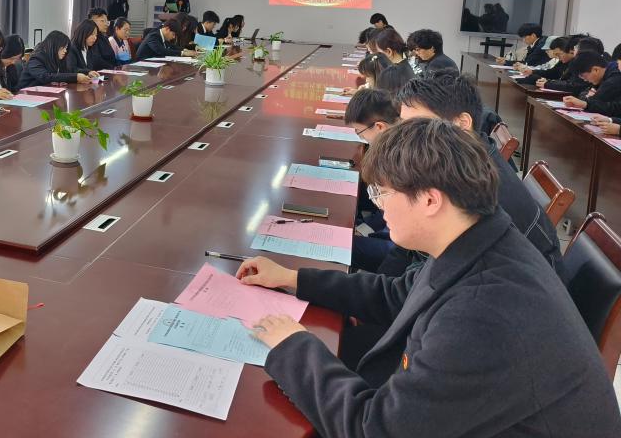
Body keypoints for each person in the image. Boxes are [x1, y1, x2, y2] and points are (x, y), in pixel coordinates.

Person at [238, 118, 621, 438]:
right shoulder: (480, 236)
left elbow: (377, 430)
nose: (379, 206)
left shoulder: (483, 314)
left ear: (430, 200)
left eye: (382, 193)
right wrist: (293, 278)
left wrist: (294, 346)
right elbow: (397, 294)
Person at [397, 73, 562, 272]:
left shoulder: (476, 191)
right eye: (403, 125)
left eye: (419, 126)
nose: (405, 137)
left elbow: (435, 275)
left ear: (462, 123)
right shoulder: (465, 160)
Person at [344, 89, 401, 273]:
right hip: (391, 231)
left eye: (360, 133)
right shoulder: (397, 143)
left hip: (399, 246)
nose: (362, 139)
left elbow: (393, 209)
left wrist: (365, 229)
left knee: (342, 245)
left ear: (379, 127)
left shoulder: (400, 156)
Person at [18, 31, 99, 88]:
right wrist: (75, 77)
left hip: (45, 94)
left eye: (66, 48)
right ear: (54, 46)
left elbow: (69, 71)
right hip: (27, 96)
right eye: (63, 47)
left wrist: (87, 72)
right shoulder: (36, 58)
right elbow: (45, 77)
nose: (65, 51)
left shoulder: (57, 58)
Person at [562, 50, 621, 118]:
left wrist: (585, 103)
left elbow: (593, 100)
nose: (585, 80)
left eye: (584, 76)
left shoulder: (614, 79)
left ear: (596, 70)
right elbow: (584, 96)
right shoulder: (603, 74)